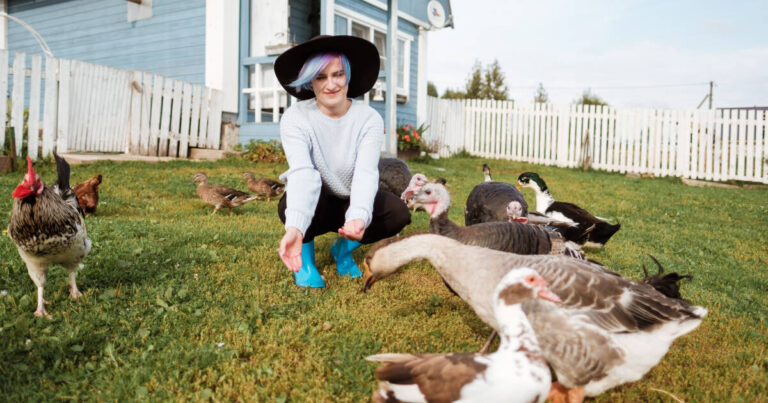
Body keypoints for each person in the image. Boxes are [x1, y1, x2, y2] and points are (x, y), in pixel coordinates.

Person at [274, 35, 411, 288]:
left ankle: (343, 250)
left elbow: (366, 173)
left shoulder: (369, 119)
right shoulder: (295, 118)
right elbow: (303, 173)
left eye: (338, 74)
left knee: (397, 213)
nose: (331, 85)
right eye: (320, 77)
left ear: (348, 76)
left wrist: (358, 217)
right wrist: (295, 228)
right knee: (291, 202)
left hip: (349, 198)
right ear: (310, 82)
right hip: (318, 199)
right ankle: (304, 260)